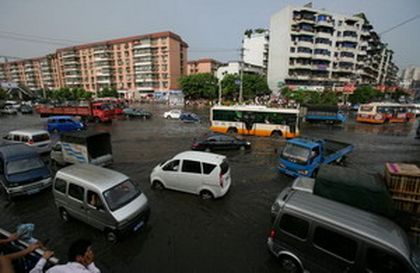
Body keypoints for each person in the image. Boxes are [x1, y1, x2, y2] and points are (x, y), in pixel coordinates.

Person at [29, 239, 100, 273]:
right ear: (79, 257)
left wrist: (43, 258)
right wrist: (90, 264)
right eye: (88, 251)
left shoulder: (56, 269)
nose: (91, 253)